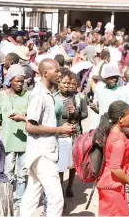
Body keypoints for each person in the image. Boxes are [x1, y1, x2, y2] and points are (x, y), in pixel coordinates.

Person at [20, 58, 76, 216]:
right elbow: (30, 126)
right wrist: (59, 129)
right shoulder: (39, 94)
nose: (59, 74)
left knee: (31, 195)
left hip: (43, 151)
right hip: (42, 153)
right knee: (57, 198)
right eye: (56, 71)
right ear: (45, 73)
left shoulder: (48, 93)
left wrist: (59, 131)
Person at [0, 64, 30, 211]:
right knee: (8, 173)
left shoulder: (28, 96)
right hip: (7, 141)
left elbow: (32, 117)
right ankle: (7, 198)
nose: (20, 84)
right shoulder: (2, 95)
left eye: (22, 81)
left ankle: (19, 202)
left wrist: (23, 118)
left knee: (22, 175)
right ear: (10, 80)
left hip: (24, 142)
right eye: (17, 81)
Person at [96, 100, 129, 216]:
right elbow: (115, 168)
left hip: (110, 184)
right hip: (112, 186)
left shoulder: (113, 133)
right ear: (121, 118)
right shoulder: (118, 141)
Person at [56, 68, 79, 200]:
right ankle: (60, 196)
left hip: (67, 136)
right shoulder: (53, 97)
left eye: (68, 83)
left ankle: (67, 189)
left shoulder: (72, 97)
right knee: (59, 168)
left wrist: (74, 113)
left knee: (67, 165)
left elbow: (75, 119)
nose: (67, 86)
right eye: (64, 83)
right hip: (56, 135)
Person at [90, 63, 122, 129]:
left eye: (116, 77)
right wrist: (94, 108)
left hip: (114, 127)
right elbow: (100, 111)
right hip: (101, 126)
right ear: (106, 78)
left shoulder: (121, 92)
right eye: (112, 77)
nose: (115, 79)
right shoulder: (99, 91)